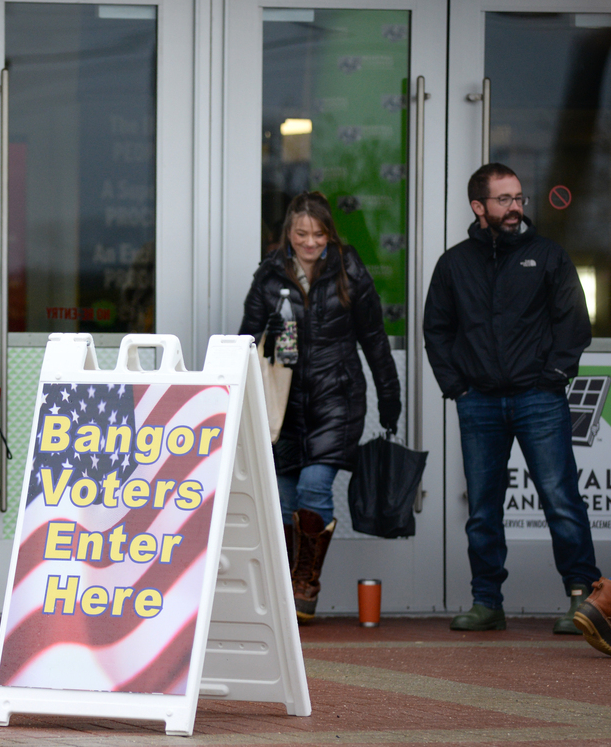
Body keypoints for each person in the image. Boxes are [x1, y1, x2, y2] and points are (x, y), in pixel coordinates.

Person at [424, 162, 602, 634]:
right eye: (504, 200)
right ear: (478, 206)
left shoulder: (547, 255)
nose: (515, 207)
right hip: (478, 401)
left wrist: (554, 376)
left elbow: (574, 323)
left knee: (560, 499)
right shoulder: (454, 263)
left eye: (519, 197)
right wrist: (457, 387)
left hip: (538, 399)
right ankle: (487, 603)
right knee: (483, 506)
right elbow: (436, 331)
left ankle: (584, 599)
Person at [239, 191, 401, 622]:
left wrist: (390, 396)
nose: (310, 243)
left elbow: (374, 339)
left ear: (330, 233)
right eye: (301, 234)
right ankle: (288, 580)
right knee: (284, 496)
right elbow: (243, 342)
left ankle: (305, 580)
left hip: (337, 398)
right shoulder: (269, 276)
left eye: (318, 234)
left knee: (314, 487)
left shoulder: (349, 271)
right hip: (283, 406)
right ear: (287, 234)